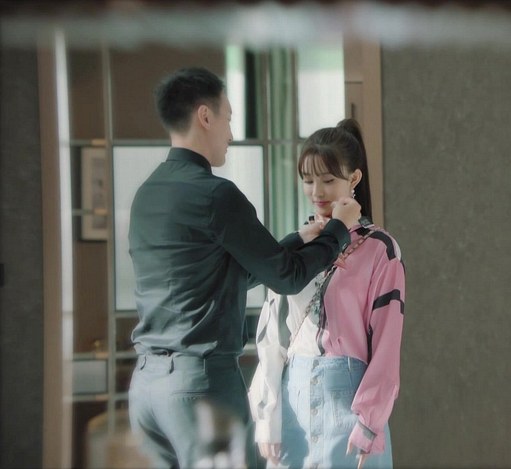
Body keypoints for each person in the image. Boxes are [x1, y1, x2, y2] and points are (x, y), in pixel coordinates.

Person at [127, 66, 361, 469]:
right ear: (205, 116)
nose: (231, 134)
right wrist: (338, 230)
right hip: (199, 387)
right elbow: (286, 277)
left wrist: (298, 239)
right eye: (229, 118)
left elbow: (230, 274)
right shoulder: (216, 195)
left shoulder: (146, 194)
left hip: (147, 391)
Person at [248, 119, 406, 469]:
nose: (317, 191)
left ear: (354, 178)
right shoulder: (297, 245)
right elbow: (272, 336)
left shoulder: (381, 250)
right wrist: (267, 415)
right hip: (293, 407)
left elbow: (387, 344)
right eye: (308, 180)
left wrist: (369, 421)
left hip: (350, 409)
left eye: (328, 180)